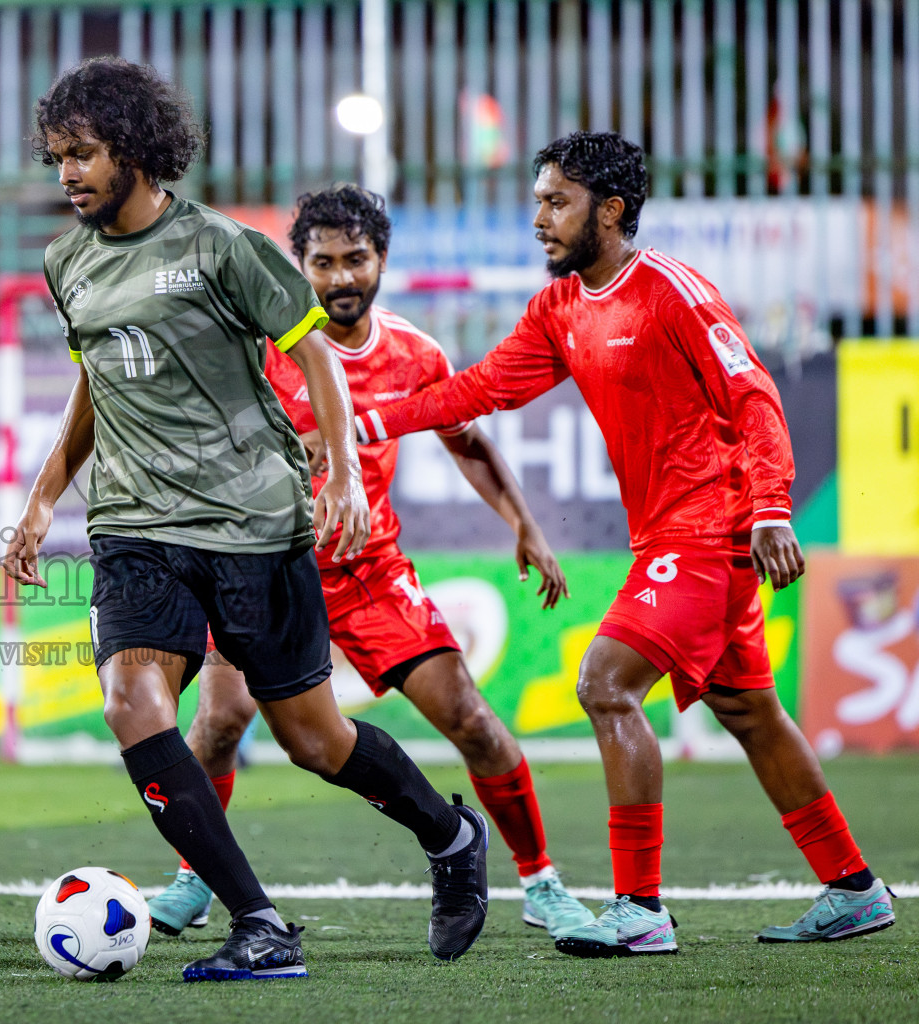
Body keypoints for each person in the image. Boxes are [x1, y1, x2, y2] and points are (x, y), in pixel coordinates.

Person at [339, 131, 895, 956]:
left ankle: (639, 908)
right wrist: (365, 421)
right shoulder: (561, 308)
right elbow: (484, 388)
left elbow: (755, 396)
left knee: (604, 683)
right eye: (536, 201)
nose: (539, 220)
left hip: (713, 529)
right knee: (749, 710)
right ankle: (854, 888)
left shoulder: (672, 292)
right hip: (673, 536)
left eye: (555, 202)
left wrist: (773, 507)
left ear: (611, 209)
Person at [4, 58, 490, 980]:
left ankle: (449, 834)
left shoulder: (226, 247)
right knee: (131, 703)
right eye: (57, 157)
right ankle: (258, 923)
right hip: (137, 529)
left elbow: (319, 360)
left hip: (254, 527)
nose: (66, 174)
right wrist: (40, 500)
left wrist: (343, 472)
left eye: (84, 155)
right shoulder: (64, 261)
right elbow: (94, 384)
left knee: (316, 739)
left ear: (138, 151)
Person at [145, 183, 595, 942]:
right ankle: (194, 881)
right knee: (220, 720)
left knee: (474, 722)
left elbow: (468, 438)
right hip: (260, 570)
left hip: (369, 571)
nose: (342, 278)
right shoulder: (259, 349)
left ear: (381, 259)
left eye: (357, 259)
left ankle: (542, 882)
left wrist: (524, 523)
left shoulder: (416, 353)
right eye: (323, 263)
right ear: (300, 268)